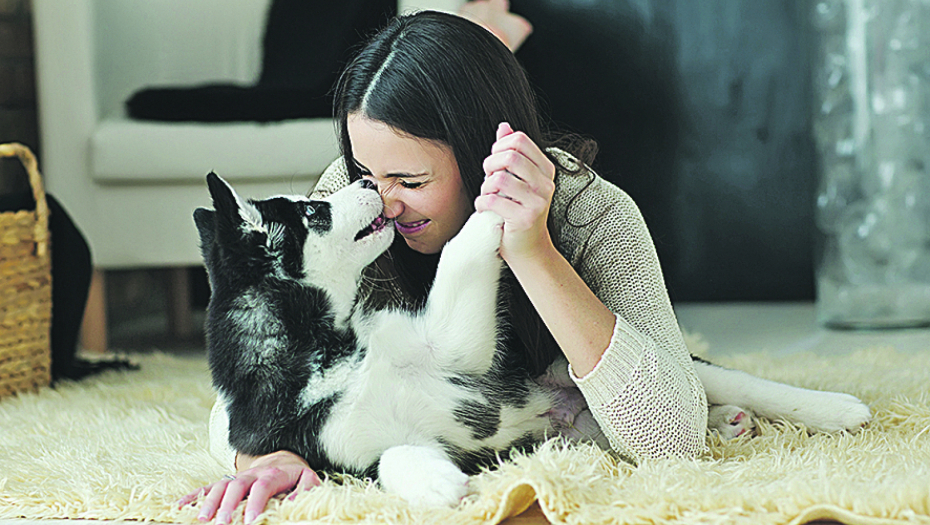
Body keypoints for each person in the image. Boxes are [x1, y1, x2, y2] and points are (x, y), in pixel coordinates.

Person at [183, 9, 706, 525]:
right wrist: (270, 457)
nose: (381, 201)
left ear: (483, 155)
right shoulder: (352, 207)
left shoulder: (591, 213)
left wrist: (531, 249)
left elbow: (671, 438)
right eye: (364, 171)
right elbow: (248, 393)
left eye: (410, 182)